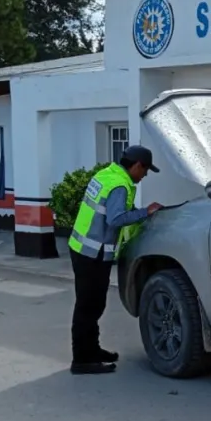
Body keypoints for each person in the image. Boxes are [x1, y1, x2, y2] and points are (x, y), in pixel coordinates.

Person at [68, 145, 163, 375]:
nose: (145, 175)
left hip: (82, 248)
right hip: (93, 253)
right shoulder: (120, 185)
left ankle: (91, 350)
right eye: (145, 170)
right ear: (137, 165)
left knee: (91, 305)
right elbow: (116, 218)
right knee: (89, 306)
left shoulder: (107, 174)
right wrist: (146, 212)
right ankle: (82, 360)